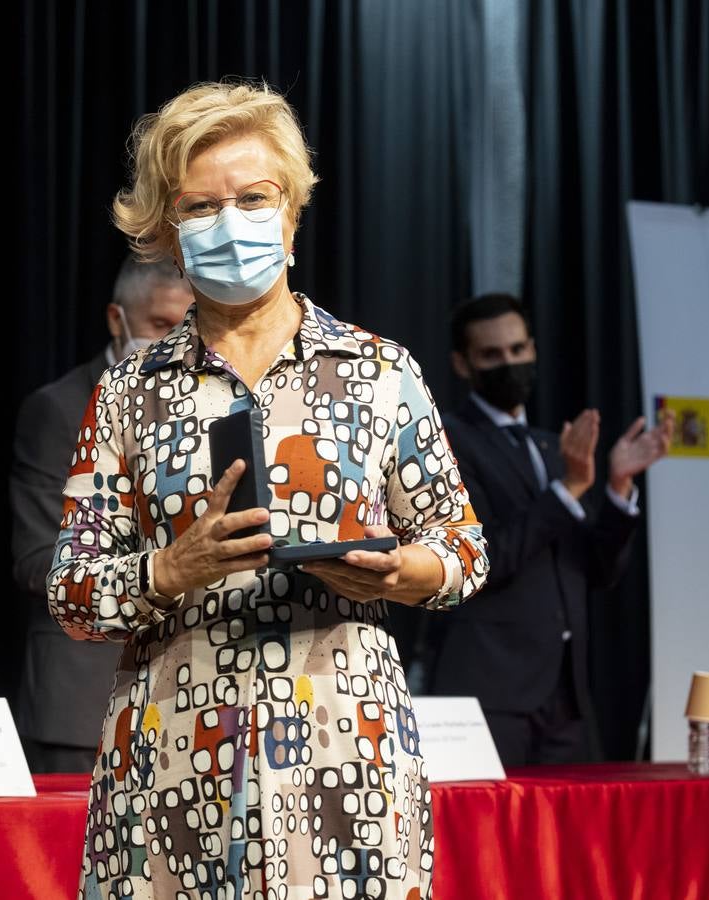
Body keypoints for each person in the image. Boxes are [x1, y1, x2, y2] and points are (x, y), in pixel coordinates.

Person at [46, 81, 487, 899]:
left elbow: (461, 549)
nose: (231, 221)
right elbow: (72, 593)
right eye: (200, 207)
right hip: (170, 763)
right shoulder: (128, 391)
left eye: (252, 198)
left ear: (289, 214)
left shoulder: (380, 371)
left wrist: (400, 573)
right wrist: (171, 569)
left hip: (344, 766)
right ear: (168, 236)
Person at [426, 293, 673, 766]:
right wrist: (569, 488)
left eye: (518, 350)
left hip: (567, 694)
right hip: (489, 693)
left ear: (534, 349)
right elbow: (483, 558)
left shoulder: (551, 445)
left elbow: (597, 570)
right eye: (492, 355)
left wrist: (619, 488)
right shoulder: (446, 438)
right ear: (462, 364)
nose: (510, 362)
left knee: (577, 838)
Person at [11, 254, 192, 774]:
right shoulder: (60, 409)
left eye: (189, 325)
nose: (176, 340)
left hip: (193, 696)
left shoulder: (219, 407)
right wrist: (168, 569)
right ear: (119, 320)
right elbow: (36, 559)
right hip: (84, 703)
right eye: (161, 325)